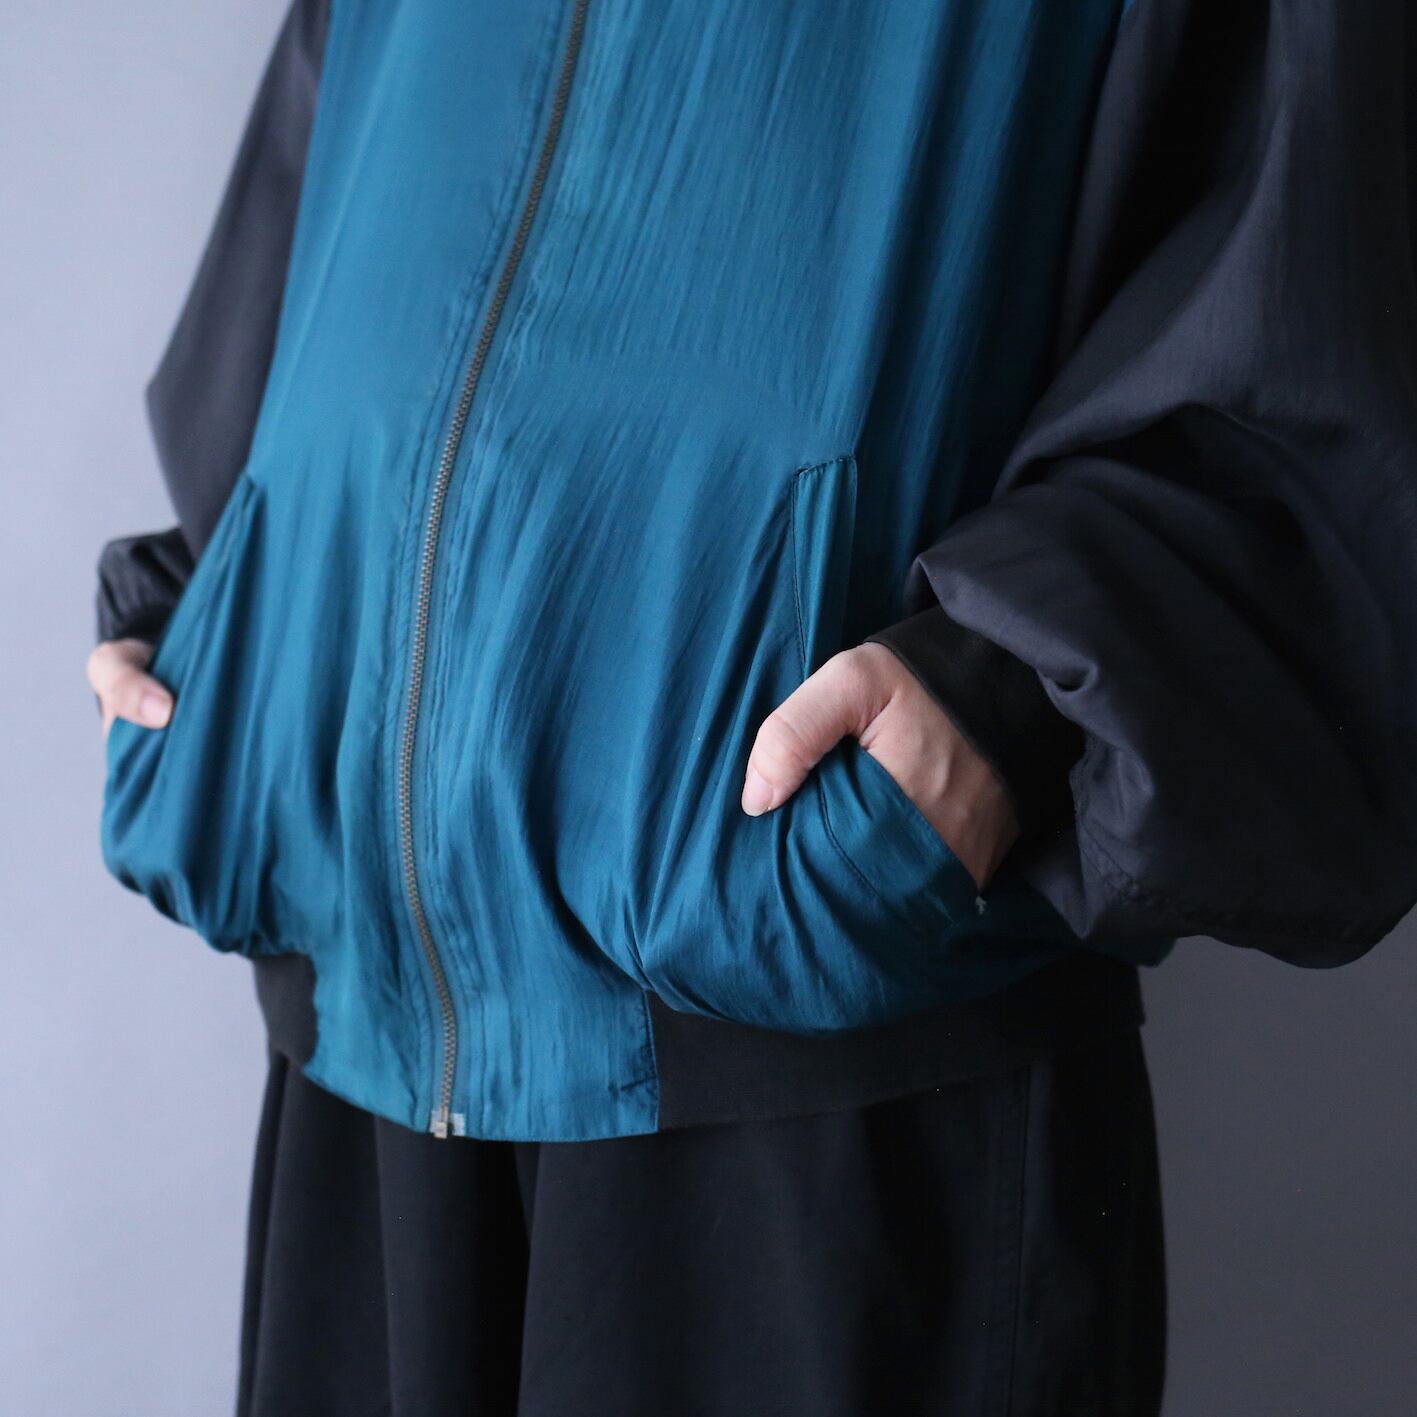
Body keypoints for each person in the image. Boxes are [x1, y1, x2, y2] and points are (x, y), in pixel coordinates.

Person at [87, 2, 1417, 1413]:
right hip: (360, 1012)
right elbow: (336, 203)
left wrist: (1007, 693)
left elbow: (1320, 309)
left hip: (820, 1033)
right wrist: (224, 616)